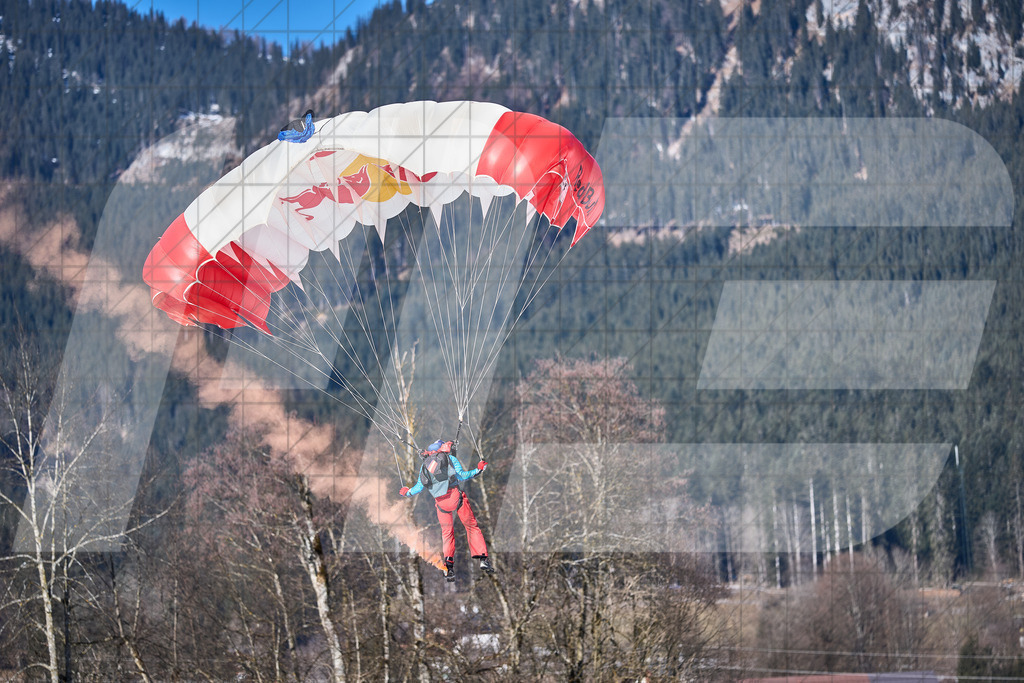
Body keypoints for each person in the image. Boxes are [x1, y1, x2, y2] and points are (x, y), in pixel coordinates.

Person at [399, 436, 494, 581]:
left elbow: (418, 488)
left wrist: (406, 492)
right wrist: (479, 469)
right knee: (471, 526)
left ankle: (448, 567)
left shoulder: (425, 466)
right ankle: (483, 559)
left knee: (447, 534)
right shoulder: (450, 459)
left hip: (441, 504)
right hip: (457, 499)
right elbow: (462, 476)